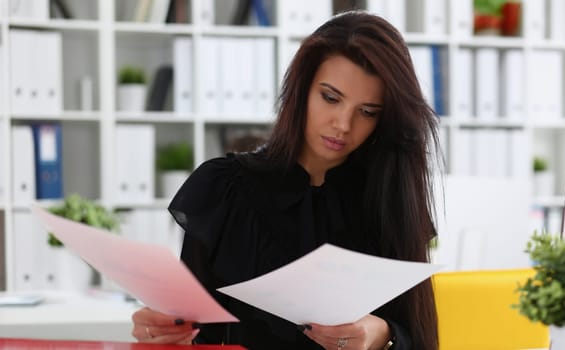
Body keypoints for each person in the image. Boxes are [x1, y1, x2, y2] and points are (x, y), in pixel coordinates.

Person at [131, 10, 441, 350]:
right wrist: (162, 331)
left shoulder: (390, 200)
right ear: (301, 90)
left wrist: (383, 335)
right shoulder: (225, 190)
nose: (343, 124)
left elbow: (422, 337)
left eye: (367, 112)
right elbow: (194, 330)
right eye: (331, 98)